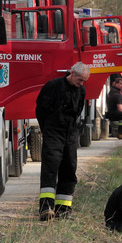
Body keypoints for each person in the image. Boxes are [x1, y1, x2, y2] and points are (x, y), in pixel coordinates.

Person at [35, 62, 90, 221]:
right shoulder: (53, 86)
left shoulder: (81, 90)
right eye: (79, 80)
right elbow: (40, 110)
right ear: (72, 73)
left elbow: (78, 112)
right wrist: (46, 130)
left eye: (84, 81)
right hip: (53, 130)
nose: (81, 84)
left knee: (69, 169)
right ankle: (46, 208)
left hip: (70, 133)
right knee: (50, 168)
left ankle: (63, 209)